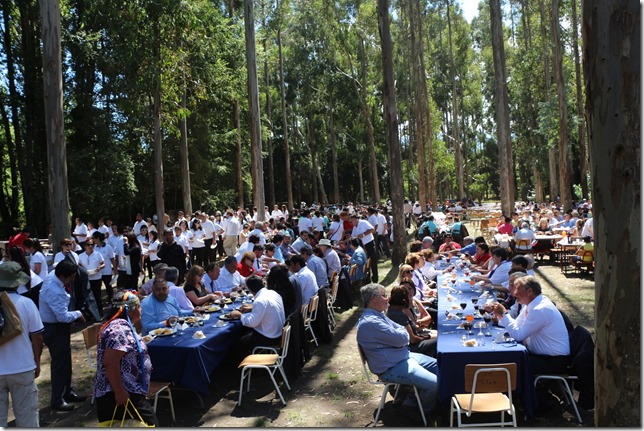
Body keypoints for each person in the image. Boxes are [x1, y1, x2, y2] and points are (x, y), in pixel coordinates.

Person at [356, 284, 438, 415]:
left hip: (402, 357)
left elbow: (402, 334)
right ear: (373, 298)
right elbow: (403, 338)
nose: (387, 299)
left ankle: (412, 399)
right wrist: (401, 337)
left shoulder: (378, 315)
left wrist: (401, 336)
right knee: (435, 384)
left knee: (440, 366)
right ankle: (418, 410)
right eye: (384, 295)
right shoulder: (371, 322)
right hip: (391, 367)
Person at [94, 290, 158, 426]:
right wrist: (119, 391)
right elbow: (110, 363)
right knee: (151, 425)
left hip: (130, 390)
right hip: (121, 393)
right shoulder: (119, 330)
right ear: (132, 309)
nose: (141, 310)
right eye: (139, 306)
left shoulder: (121, 325)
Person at [488, 276, 570, 376]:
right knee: (507, 359)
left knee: (509, 364)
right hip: (543, 357)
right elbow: (517, 325)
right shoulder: (532, 304)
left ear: (530, 291)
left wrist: (504, 313)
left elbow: (518, 335)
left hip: (553, 361)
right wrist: (500, 317)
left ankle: (517, 391)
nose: (514, 293)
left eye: (518, 289)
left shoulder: (540, 309)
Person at [39, 259, 88, 411]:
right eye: (71, 277)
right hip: (54, 328)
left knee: (66, 361)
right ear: (62, 276)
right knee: (59, 364)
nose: (73, 279)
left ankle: (67, 391)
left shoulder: (54, 275)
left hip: (59, 327)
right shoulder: (54, 290)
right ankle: (57, 399)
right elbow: (62, 316)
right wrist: (79, 313)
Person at [0, 261, 44, 427]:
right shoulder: (27, 303)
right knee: (27, 420)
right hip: (22, 367)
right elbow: (38, 337)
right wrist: (37, 362)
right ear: (18, 281)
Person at [229, 275, 285, 361]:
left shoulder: (260, 300)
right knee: (245, 334)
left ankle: (245, 368)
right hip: (278, 331)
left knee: (240, 342)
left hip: (269, 336)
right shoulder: (273, 293)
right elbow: (268, 308)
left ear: (250, 290)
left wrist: (239, 315)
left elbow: (253, 322)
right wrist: (252, 308)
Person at [386, 285, 436, 357]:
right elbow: (413, 339)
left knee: (438, 335)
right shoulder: (399, 315)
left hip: (412, 342)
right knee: (439, 340)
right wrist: (427, 337)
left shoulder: (392, 310)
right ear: (404, 300)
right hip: (410, 348)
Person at [78, 238, 106, 316]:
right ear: (84, 246)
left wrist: (99, 268)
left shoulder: (97, 254)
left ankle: (99, 312)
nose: (90, 246)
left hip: (96, 278)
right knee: (87, 296)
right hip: (86, 278)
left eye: (92, 245)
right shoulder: (81, 255)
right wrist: (83, 270)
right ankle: (90, 312)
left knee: (97, 295)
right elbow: (79, 265)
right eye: (88, 245)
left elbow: (103, 264)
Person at [350, 215, 378, 283]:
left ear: (355, 219)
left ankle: (375, 279)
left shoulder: (364, 222)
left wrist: (363, 234)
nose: (351, 223)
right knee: (366, 263)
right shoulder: (354, 228)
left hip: (369, 244)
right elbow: (352, 237)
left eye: (352, 221)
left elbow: (372, 229)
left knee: (373, 262)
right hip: (362, 246)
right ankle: (367, 279)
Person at [94, 232, 117, 302]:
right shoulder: (95, 248)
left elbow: (112, 259)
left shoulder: (108, 247)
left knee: (108, 287)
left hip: (107, 271)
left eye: (93, 238)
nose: (93, 240)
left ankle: (111, 300)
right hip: (98, 272)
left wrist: (115, 269)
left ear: (97, 238)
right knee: (97, 288)